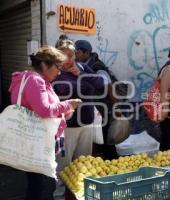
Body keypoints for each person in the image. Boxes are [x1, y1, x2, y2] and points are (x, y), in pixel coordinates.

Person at [8, 46, 81, 200]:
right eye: (57, 67)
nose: (59, 72)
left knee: (35, 182)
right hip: (35, 140)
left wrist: (62, 112)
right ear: (44, 65)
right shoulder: (36, 81)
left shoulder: (28, 78)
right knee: (36, 185)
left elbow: (35, 107)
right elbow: (44, 110)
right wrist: (68, 104)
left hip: (30, 136)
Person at [53, 35, 105, 200]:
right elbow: (62, 93)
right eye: (64, 55)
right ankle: (59, 196)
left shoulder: (82, 67)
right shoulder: (55, 72)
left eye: (72, 55)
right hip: (66, 126)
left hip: (87, 123)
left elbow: (100, 84)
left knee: (83, 165)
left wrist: (80, 74)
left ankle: (81, 194)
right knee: (63, 166)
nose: (69, 59)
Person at [75, 40, 120, 160]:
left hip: (102, 108)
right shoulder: (81, 65)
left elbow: (109, 87)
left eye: (78, 52)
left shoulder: (97, 66)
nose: (75, 55)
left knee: (106, 139)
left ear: (86, 53)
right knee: (95, 140)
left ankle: (112, 163)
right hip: (91, 108)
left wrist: (116, 106)